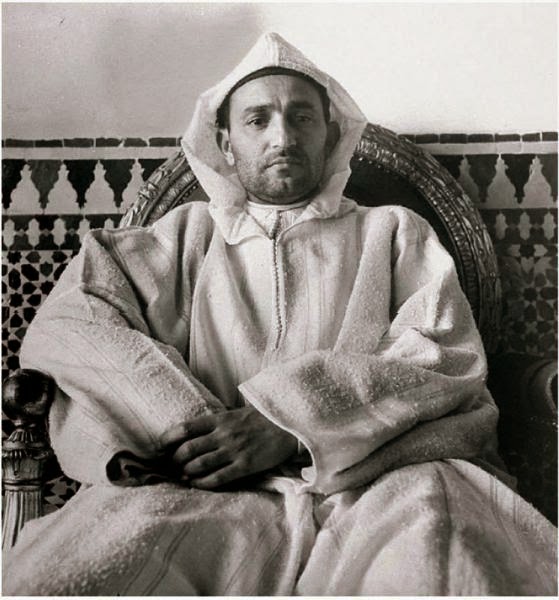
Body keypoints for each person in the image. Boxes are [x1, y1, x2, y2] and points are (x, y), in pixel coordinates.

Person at [3, 32, 556, 596]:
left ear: (330, 134)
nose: (283, 137)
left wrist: (290, 423)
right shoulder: (181, 237)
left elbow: (442, 353)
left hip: (377, 479)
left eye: (302, 118)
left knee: (437, 559)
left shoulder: (392, 232)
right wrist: (189, 430)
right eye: (258, 119)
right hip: (207, 488)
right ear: (225, 142)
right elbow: (76, 320)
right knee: (75, 572)